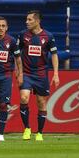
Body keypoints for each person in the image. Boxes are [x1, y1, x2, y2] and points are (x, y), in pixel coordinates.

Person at [17, 10, 60, 141]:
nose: (27, 22)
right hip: (27, 73)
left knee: (41, 103)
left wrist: (56, 73)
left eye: (30, 19)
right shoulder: (23, 35)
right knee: (24, 98)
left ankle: (40, 133)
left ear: (37, 21)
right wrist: (19, 72)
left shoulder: (48, 36)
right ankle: (27, 129)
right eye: (26, 19)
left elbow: (54, 55)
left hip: (41, 74)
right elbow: (16, 54)